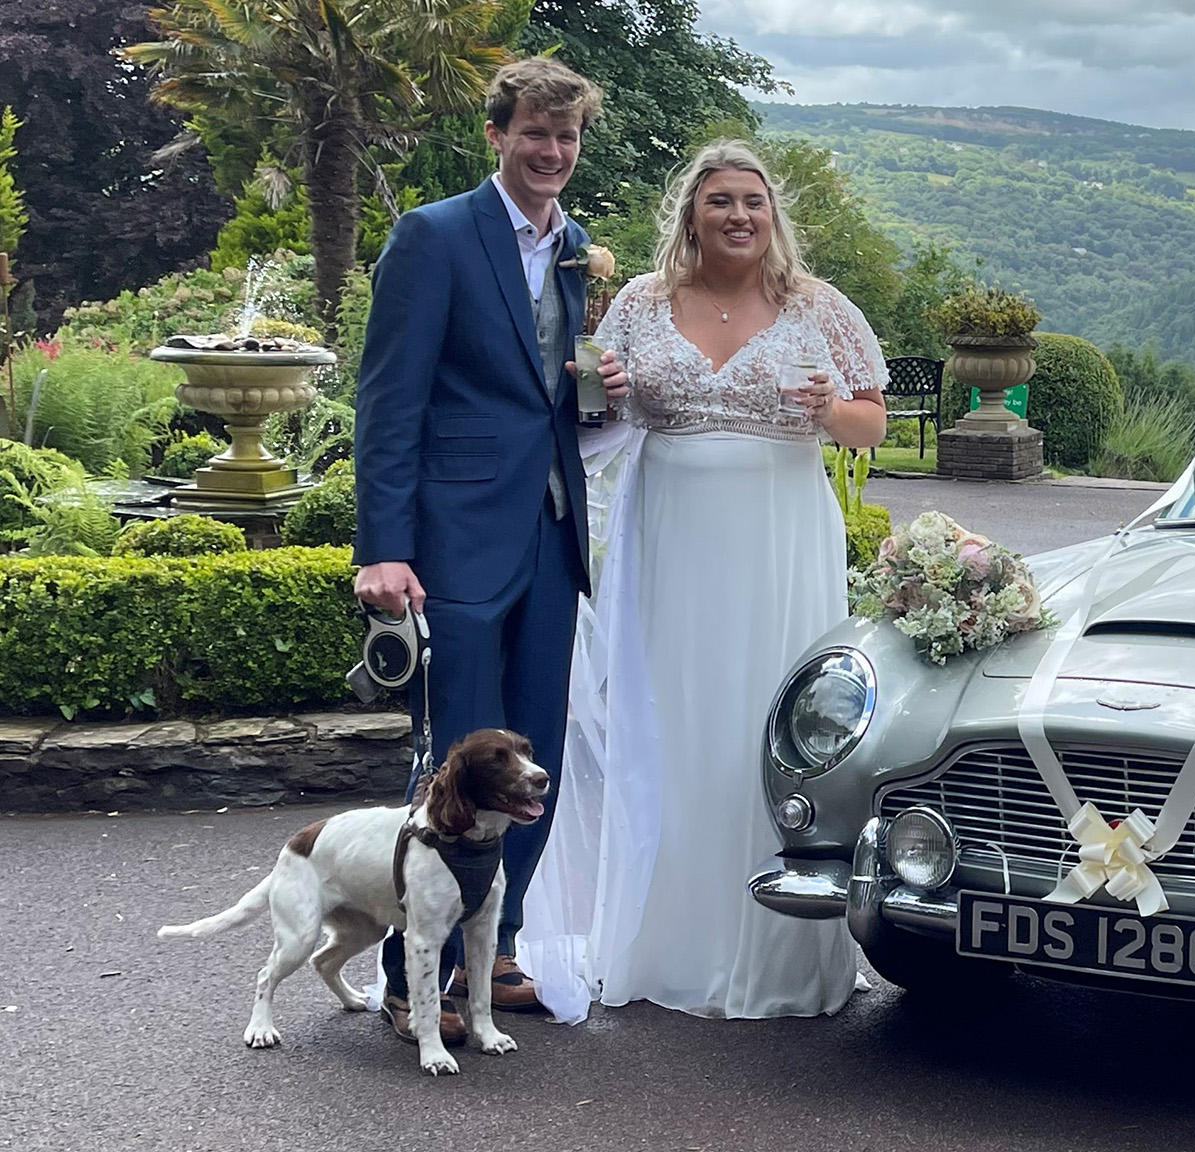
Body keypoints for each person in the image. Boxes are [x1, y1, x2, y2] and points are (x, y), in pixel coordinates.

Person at [518, 140, 887, 1021]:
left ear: (774, 216)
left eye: (753, 203)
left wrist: (827, 411)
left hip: (780, 537)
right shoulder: (643, 303)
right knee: (668, 723)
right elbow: (591, 404)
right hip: (670, 536)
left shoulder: (819, 307)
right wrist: (597, 383)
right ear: (691, 212)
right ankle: (664, 943)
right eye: (720, 201)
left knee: (771, 722)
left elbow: (869, 424)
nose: (739, 217)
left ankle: (781, 952)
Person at [351, 57, 604, 1044]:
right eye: (534, 132)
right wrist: (384, 547)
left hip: (549, 534)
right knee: (457, 757)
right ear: (496, 135)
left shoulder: (578, 247)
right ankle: (410, 980)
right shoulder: (434, 235)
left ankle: (496, 951)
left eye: (566, 136)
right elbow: (388, 401)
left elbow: (554, 397)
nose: (551, 151)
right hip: (452, 539)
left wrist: (600, 385)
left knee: (528, 751)